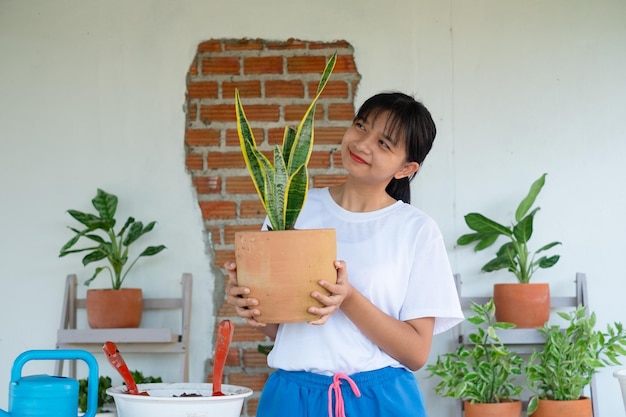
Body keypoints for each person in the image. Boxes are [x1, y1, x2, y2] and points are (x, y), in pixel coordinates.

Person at [225, 92, 464, 417]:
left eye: (384, 143)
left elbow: (415, 353)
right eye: (361, 126)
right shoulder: (292, 209)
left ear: (405, 168)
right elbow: (284, 329)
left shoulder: (416, 229)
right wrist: (251, 306)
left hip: (379, 402)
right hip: (293, 400)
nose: (363, 144)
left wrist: (348, 298)